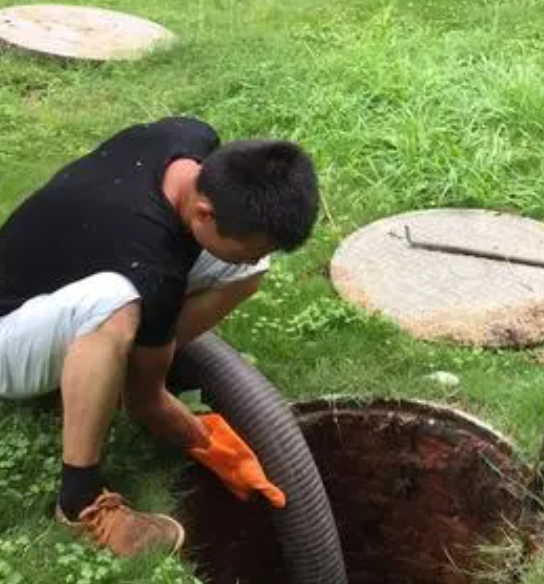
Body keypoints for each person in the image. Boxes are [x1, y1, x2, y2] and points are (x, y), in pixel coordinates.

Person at [0, 116, 319, 557]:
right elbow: (148, 402)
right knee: (114, 302)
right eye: (253, 243)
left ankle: (108, 366)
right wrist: (205, 440)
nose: (260, 254)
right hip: (9, 333)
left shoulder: (191, 137)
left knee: (246, 272)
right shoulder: (149, 265)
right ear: (204, 213)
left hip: (77, 269)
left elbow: (218, 259)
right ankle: (79, 501)